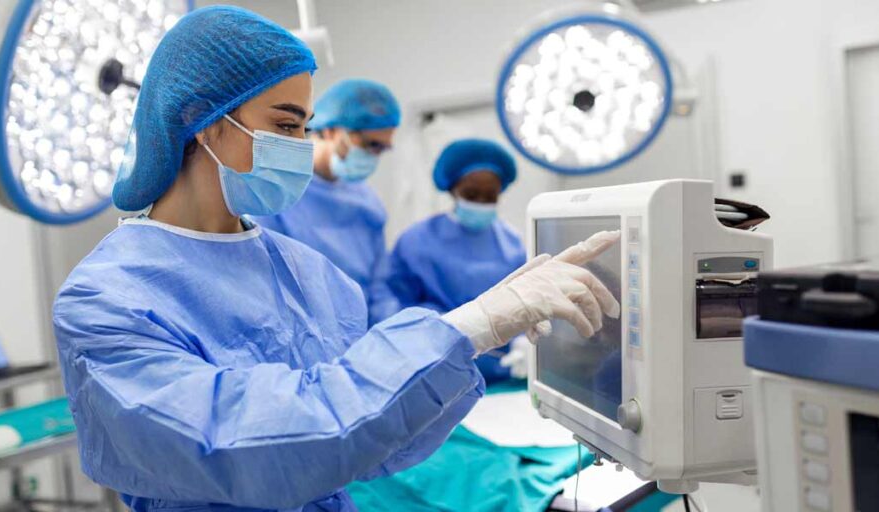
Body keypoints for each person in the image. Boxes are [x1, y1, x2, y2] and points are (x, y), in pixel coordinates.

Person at [52, 7, 620, 512]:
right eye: (284, 125)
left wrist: (472, 337)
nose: (300, 146)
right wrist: (468, 327)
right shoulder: (105, 301)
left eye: (304, 126)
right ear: (197, 117)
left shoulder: (309, 273)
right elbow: (254, 444)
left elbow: (363, 438)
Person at [254, 79, 401, 325]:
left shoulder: (368, 203)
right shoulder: (276, 190)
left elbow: (377, 291)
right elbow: (268, 286)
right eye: (370, 145)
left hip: (360, 335)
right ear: (332, 130)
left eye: (382, 148)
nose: (374, 156)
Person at [388, 139, 528, 383]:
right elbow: (396, 305)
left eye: (490, 196)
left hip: (503, 372)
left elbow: (525, 302)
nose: (481, 203)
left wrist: (525, 342)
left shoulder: (512, 243)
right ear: (452, 189)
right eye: (471, 195)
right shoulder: (417, 241)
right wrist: (444, 330)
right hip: (436, 368)